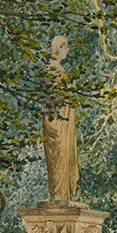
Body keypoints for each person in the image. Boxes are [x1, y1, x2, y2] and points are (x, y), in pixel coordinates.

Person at [42, 36, 78, 202]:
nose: (67, 51)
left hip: (62, 119)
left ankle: (62, 194)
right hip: (57, 121)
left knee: (62, 154)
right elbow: (53, 99)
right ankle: (58, 194)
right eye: (65, 47)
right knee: (57, 155)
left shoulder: (59, 70)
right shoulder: (51, 71)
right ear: (58, 48)